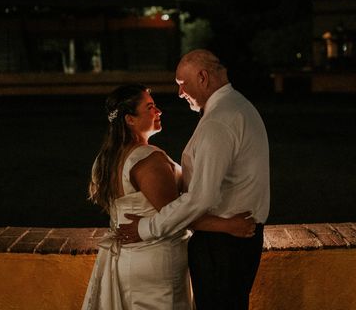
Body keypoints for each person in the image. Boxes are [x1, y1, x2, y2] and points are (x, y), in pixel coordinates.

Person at [117, 50, 270, 309]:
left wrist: (146, 228)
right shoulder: (237, 106)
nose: (179, 93)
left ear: (202, 77)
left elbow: (201, 197)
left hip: (222, 247)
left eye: (181, 84)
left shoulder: (219, 122)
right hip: (233, 240)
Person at [82, 83, 256, 310]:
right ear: (130, 119)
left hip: (125, 259)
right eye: (150, 107)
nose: (159, 111)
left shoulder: (103, 161)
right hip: (156, 260)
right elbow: (176, 213)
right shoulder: (148, 160)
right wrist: (228, 226)